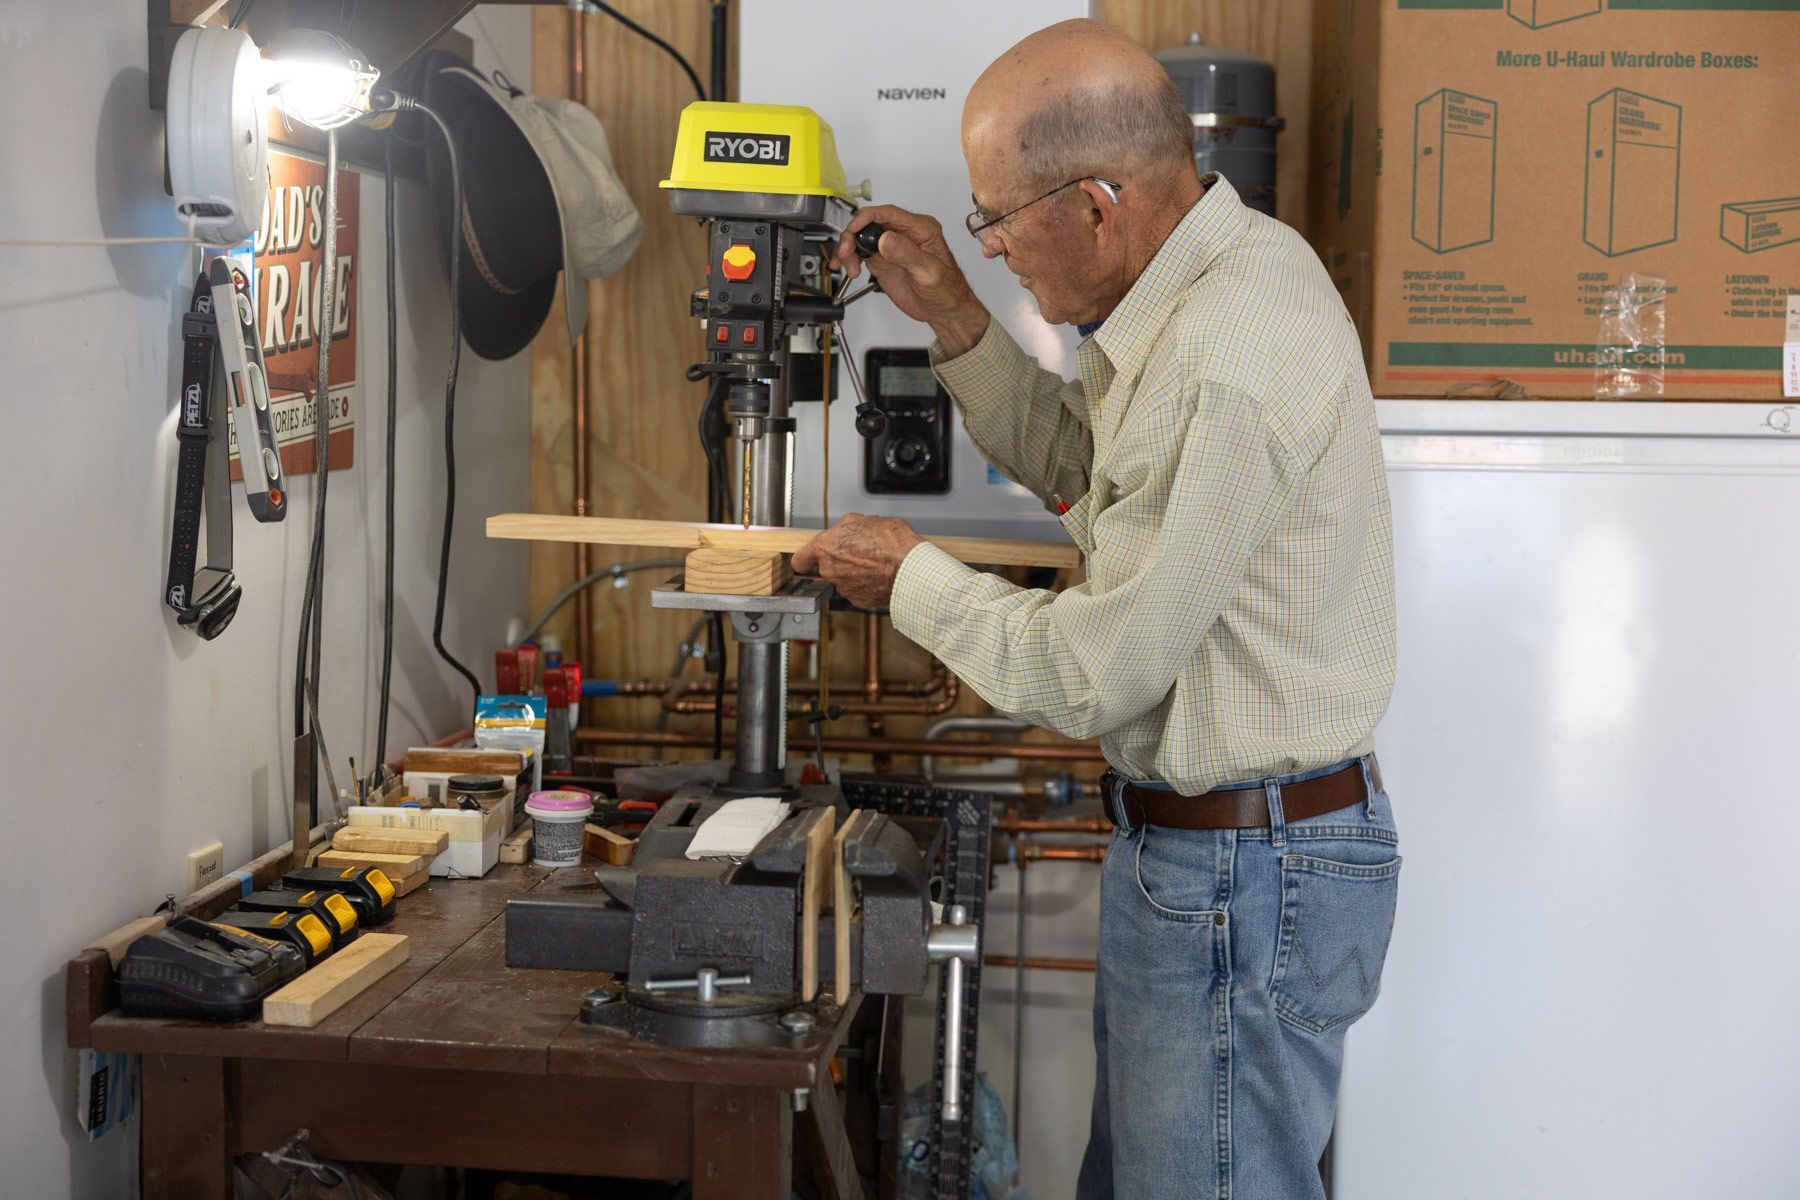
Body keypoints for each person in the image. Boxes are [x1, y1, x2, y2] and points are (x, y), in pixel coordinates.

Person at [793, 18, 1400, 1200]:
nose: (995, 244)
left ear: (1097, 207)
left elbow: (1098, 671)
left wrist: (909, 579)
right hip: (1209, 855)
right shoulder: (1200, 295)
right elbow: (1095, 475)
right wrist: (959, 319)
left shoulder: (1225, 350)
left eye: (995, 220)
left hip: (1243, 870)